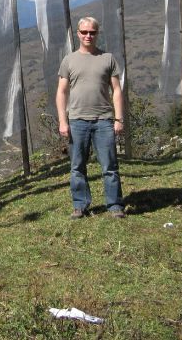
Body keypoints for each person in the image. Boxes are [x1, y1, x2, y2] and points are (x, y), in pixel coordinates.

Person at [56, 16, 125, 219]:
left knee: (110, 167)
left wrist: (119, 119)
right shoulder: (68, 60)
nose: (88, 35)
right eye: (84, 32)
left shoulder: (108, 58)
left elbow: (117, 91)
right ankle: (80, 206)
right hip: (77, 121)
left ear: (97, 33)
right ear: (78, 34)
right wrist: (62, 121)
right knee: (77, 167)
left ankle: (114, 206)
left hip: (104, 120)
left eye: (92, 32)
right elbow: (61, 92)